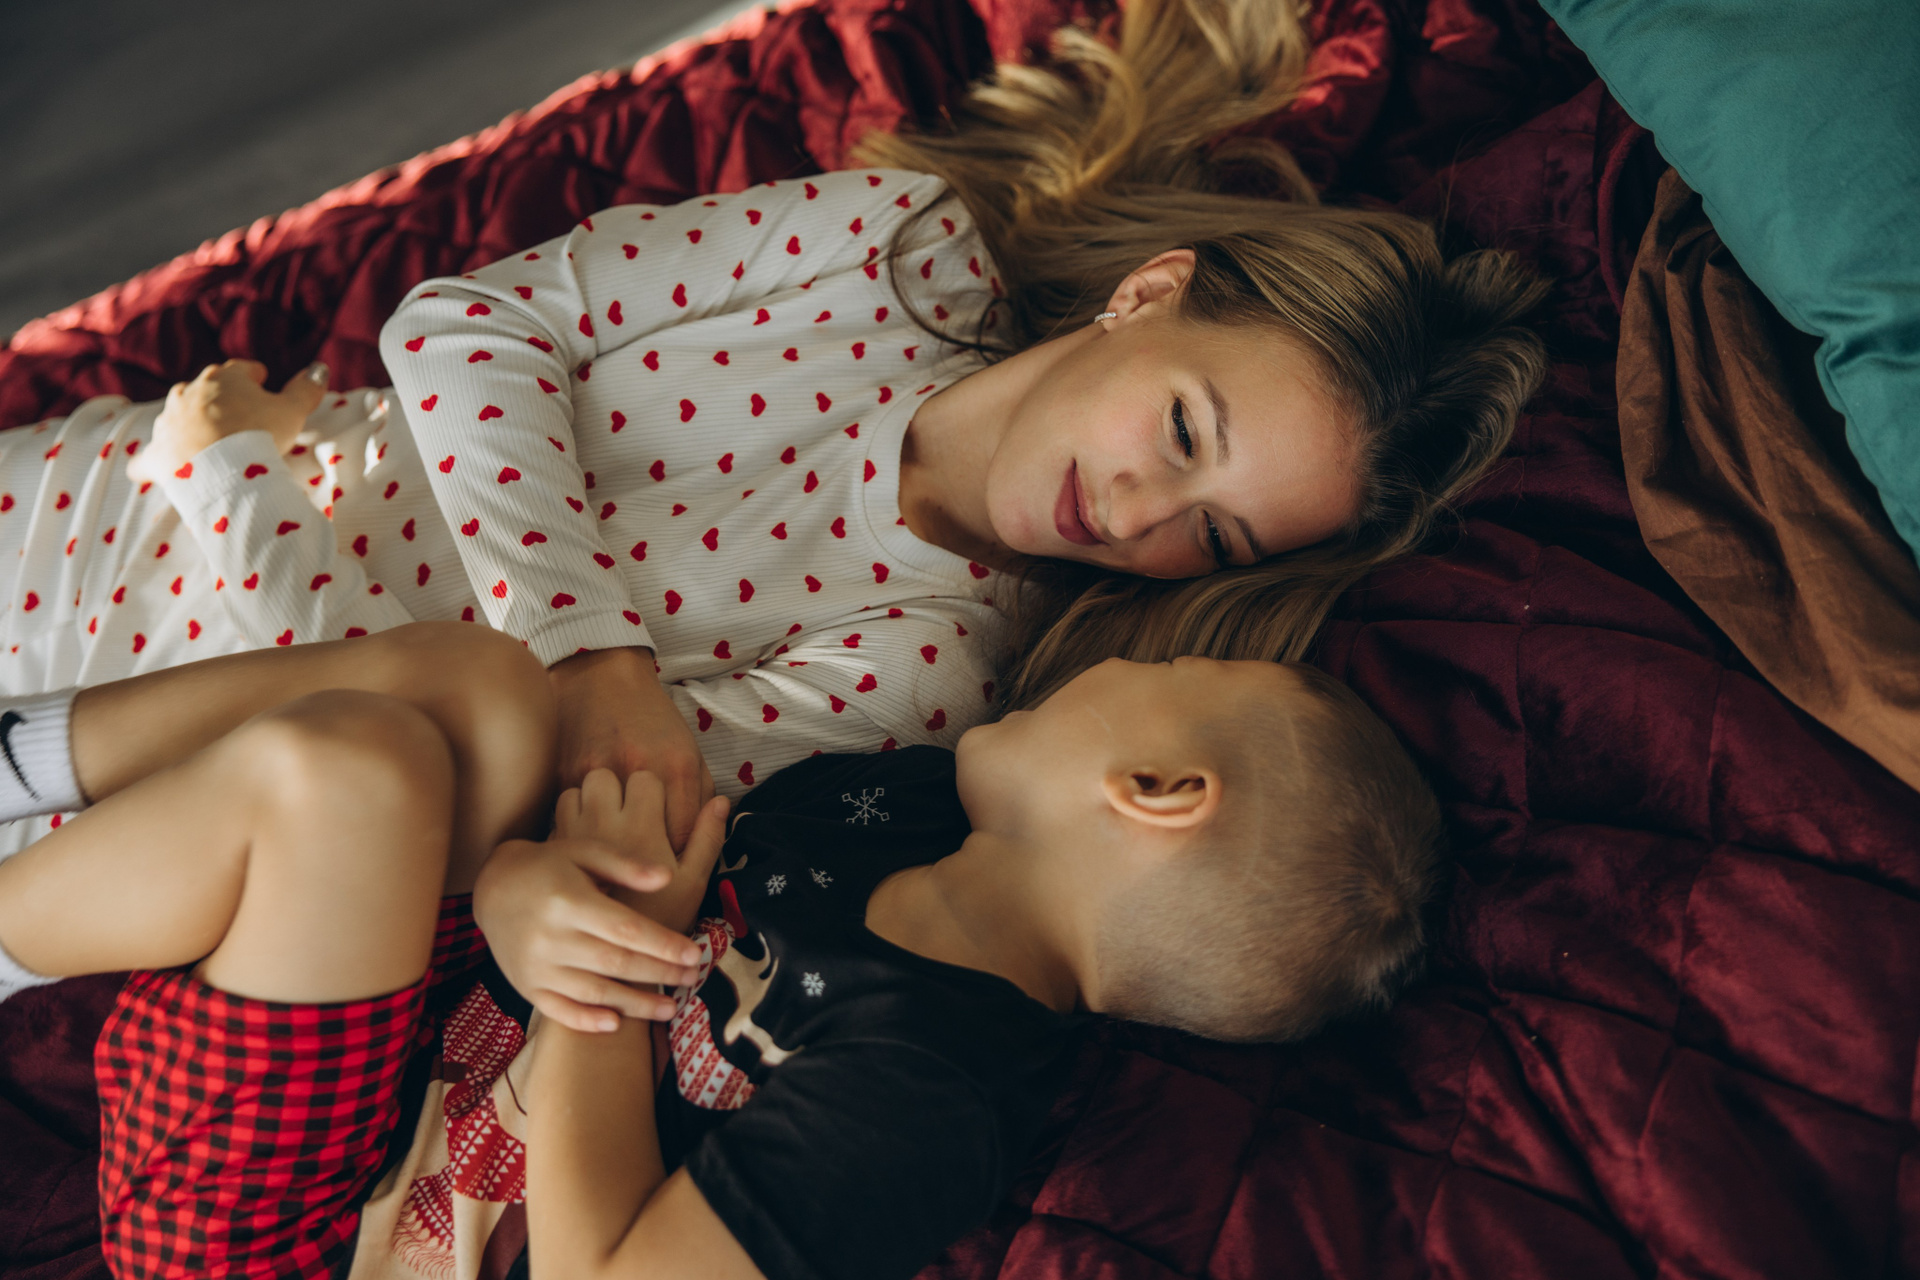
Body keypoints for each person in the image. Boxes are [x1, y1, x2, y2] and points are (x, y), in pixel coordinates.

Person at [0, 0, 1540, 1027]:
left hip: (199, 741)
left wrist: (241, 490)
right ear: (1149, 295)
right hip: (93, 513)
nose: (1141, 510)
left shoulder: (934, 671)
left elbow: (480, 801)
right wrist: (593, 654)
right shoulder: (890, 247)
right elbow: (465, 325)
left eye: (1213, 538)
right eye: (1185, 429)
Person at [0, 639, 1440, 1280]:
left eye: (1169, 672)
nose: (1114, 659)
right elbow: (577, 863)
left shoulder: (930, 1104)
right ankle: (25, 754)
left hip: (320, 1246)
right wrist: (526, 892)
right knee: (483, 690)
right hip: (415, 1050)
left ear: (1159, 792)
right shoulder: (894, 811)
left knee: (345, 772)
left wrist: (589, 986)